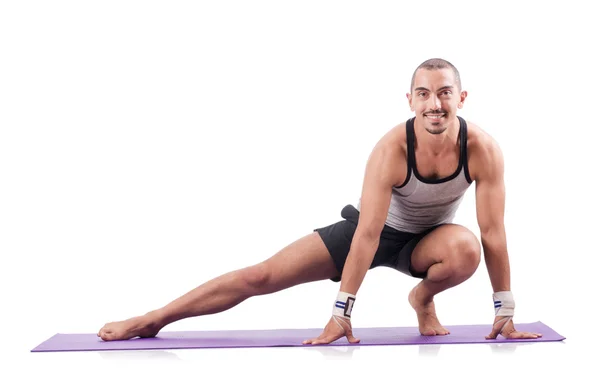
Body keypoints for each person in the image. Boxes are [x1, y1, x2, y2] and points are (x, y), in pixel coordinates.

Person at [98, 58, 542, 344]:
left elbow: (492, 233)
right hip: (369, 230)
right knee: (262, 275)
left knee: (466, 248)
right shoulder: (392, 149)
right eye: (423, 93)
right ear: (410, 100)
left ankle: (422, 299)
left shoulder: (482, 148)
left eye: (445, 93)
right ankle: (154, 319)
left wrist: (504, 310)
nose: (435, 104)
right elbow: (367, 234)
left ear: (460, 98)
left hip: (429, 243)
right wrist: (341, 313)